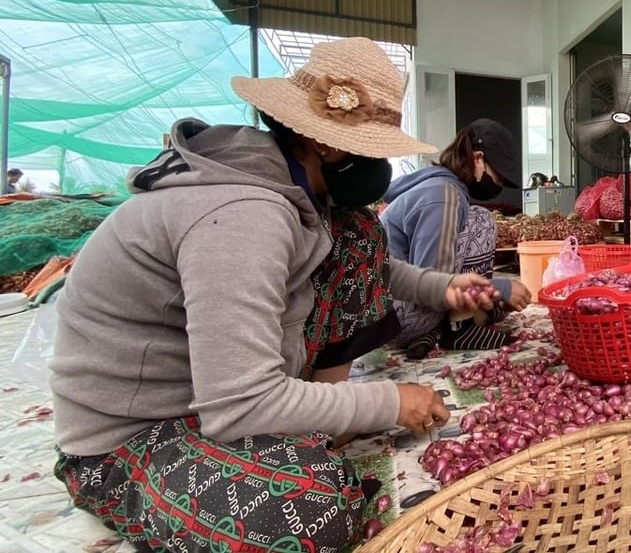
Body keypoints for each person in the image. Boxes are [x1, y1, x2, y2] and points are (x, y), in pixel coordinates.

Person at [49, 37, 498, 551]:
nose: (381, 166)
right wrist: (385, 402)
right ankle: (134, 486)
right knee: (311, 512)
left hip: (213, 394)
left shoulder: (297, 193)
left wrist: (445, 287)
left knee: (356, 234)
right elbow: (240, 402)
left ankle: (313, 419)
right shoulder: (242, 215)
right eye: (374, 149)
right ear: (326, 145)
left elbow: (374, 266)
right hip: (136, 435)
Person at [380, 119, 533, 359]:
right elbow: (430, 281)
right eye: (499, 176)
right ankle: (459, 328)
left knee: (496, 306)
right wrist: (498, 288)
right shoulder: (443, 195)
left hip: (386, 310)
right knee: (481, 219)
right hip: (394, 319)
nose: (500, 185)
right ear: (478, 158)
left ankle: (437, 332)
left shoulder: (437, 185)